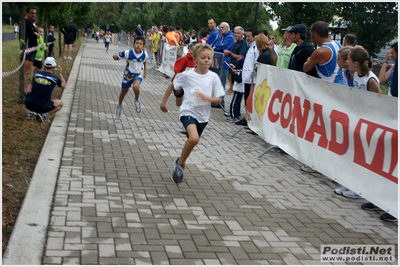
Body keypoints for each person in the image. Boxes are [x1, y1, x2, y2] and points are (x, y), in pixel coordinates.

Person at [170, 44, 225, 183]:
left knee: (192, 141)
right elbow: (174, 85)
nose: (207, 60)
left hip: (203, 116)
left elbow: (219, 100)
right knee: (194, 139)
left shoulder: (213, 77)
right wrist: (166, 102)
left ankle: (180, 161)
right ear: (195, 58)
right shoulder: (187, 75)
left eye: (209, 58)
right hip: (188, 111)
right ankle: (181, 165)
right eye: (203, 57)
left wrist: (207, 98)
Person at [113, 36, 148, 119]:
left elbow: (144, 62)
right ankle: (120, 105)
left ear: (143, 46)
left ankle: (137, 100)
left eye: (140, 44)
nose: (138, 45)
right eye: (137, 43)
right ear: (133, 44)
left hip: (137, 75)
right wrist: (115, 56)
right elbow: (118, 55)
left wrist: (145, 71)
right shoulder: (128, 53)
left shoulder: (144, 54)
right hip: (128, 76)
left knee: (136, 87)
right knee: (123, 93)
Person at [24, 57, 66, 123]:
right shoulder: (55, 78)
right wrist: (60, 74)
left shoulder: (37, 74)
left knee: (31, 83)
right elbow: (64, 86)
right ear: (54, 66)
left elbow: (31, 83)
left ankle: (31, 112)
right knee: (60, 104)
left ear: (45, 65)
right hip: (42, 107)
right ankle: (43, 115)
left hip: (28, 104)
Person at [160, 42, 198, 113]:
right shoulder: (185, 59)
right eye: (192, 50)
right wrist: (178, 78)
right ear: (189, 49)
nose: (193, 52)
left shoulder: (197, 60)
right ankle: (163, 103)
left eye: (196, 51)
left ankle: (193, 109)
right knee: (177, 97)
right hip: (180, 80)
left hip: (190, 83)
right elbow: (177, 69)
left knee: (189, 100)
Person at [235, 28, 259, 126]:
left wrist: (250, 75)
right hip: (246, 78)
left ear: (255, 37)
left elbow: (255, 63)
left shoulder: (255, 49)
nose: (247, 38)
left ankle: (249, 119)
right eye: (247, 36)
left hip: (251, 79)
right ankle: (246, 117)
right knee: (246, 99)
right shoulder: (250, 47)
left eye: (249, 36)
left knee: (249, 99)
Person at [213, 22, 234, 109]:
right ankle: (216, 100)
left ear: (227, 28)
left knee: (222, 82)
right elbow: (217, 45)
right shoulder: (221, 36)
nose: (220, 29)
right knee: (216, 82)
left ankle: (221, 102)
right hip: (217, 62)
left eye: (222, 27)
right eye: (219, 28)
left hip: (224, 63)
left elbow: (223, 47)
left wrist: (215, 47)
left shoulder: (230, 37)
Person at [24, 6, 40, 120]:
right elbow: (31, 35)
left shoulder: (32, 23)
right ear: (27, 13)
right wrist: (35, 34)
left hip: (34, 50)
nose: (34, 15)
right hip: (29, 50)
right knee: (27, 71)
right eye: (32, 13)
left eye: (35, 13)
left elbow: (36, 33)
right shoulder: (26, 23)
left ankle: (30, 86)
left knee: (34, 70)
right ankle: (25, 89)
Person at [223, 26, 248, 94]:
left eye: (238, 33)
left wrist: (230, 54)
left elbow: (241, 57)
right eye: (235, 33)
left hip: (237, 69)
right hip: (231, 66)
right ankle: (231, 87)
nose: (236, 34)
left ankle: (233, 89)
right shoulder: (235, 43)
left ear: (242, 35)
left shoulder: (243, 44)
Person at [226, 58, 245, 123]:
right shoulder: (243, 71)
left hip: (238, 90)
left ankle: (233, 116)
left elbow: (239, 80)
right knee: (238, 103)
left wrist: (235, 74)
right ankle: (237, 115)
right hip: (241, 90)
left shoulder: (241, 72)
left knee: (234, 103)